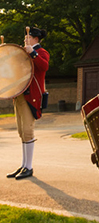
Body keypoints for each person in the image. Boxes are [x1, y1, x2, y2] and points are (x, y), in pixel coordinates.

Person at [7, 26, 49, 180]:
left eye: (28, 38)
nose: (25, 40)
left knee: (28, 131)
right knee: (21, 131)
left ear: (36, 39)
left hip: (31, 96)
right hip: (19, 95)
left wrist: (33, 53)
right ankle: (24, 165)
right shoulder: (23, 53)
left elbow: (44, 66)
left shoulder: (41, 52)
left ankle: (29, 167)